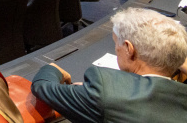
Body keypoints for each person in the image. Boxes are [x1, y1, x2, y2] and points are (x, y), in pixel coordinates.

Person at [31, 8, 187, 123]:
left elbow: (41, 86)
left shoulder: (104, 91)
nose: (116, 49)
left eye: (116, 44)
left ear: (129, 49)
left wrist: (52, 68)